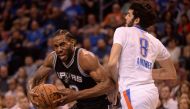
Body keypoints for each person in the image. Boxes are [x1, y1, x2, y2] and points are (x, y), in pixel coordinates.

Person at [107, 2, 177, 109]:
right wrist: (143, 71)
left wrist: (115, 84)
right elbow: (171, 73)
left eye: (129, 15)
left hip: (133, 93)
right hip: (151, 93)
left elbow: (112, 63)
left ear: (136, 20)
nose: (125, 17)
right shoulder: (156, 41)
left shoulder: (122, 31)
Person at [27, 29, 115, 109]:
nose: (59, 50)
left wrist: (77, 95)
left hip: (100, 104)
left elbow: (109, 84)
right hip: (81, 104)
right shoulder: (52, 59)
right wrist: (30, 91)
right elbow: (34, 80)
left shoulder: (85, 58)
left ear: (72, 42)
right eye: (56, 46)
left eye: (62, 44)